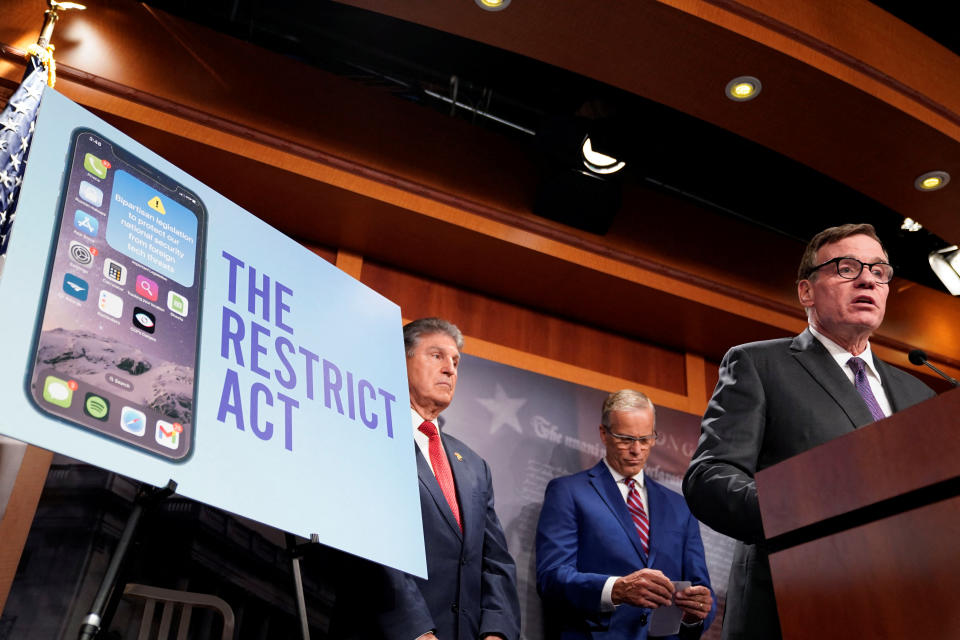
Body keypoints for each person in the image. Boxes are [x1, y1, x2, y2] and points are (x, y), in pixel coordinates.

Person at [682, 223, 936, 640]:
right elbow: (710, 478)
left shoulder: (920, 393)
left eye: (879, 270)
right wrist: (804, 512)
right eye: (847, 268)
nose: (868, 279)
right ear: (806, 292)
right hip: (791, 605)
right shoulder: (759, 365)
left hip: (905, 608)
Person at [330, 317, 521, 640]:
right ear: (398, 360)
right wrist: (417, 630)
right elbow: (371, 544)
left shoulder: (474, 466)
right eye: (436, 355)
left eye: (456, 361)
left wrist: (497, 631)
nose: (450, 369)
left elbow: (495, 560)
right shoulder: (369, 436)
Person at [535, 389, 715, 640]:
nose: (637, 450)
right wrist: (616, 590)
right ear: (603, 434)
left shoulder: (680, 508)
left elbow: (702, 590)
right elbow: (552, 578)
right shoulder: (568, 492)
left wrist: (697, 613)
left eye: (645, 439)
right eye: (625, 439)